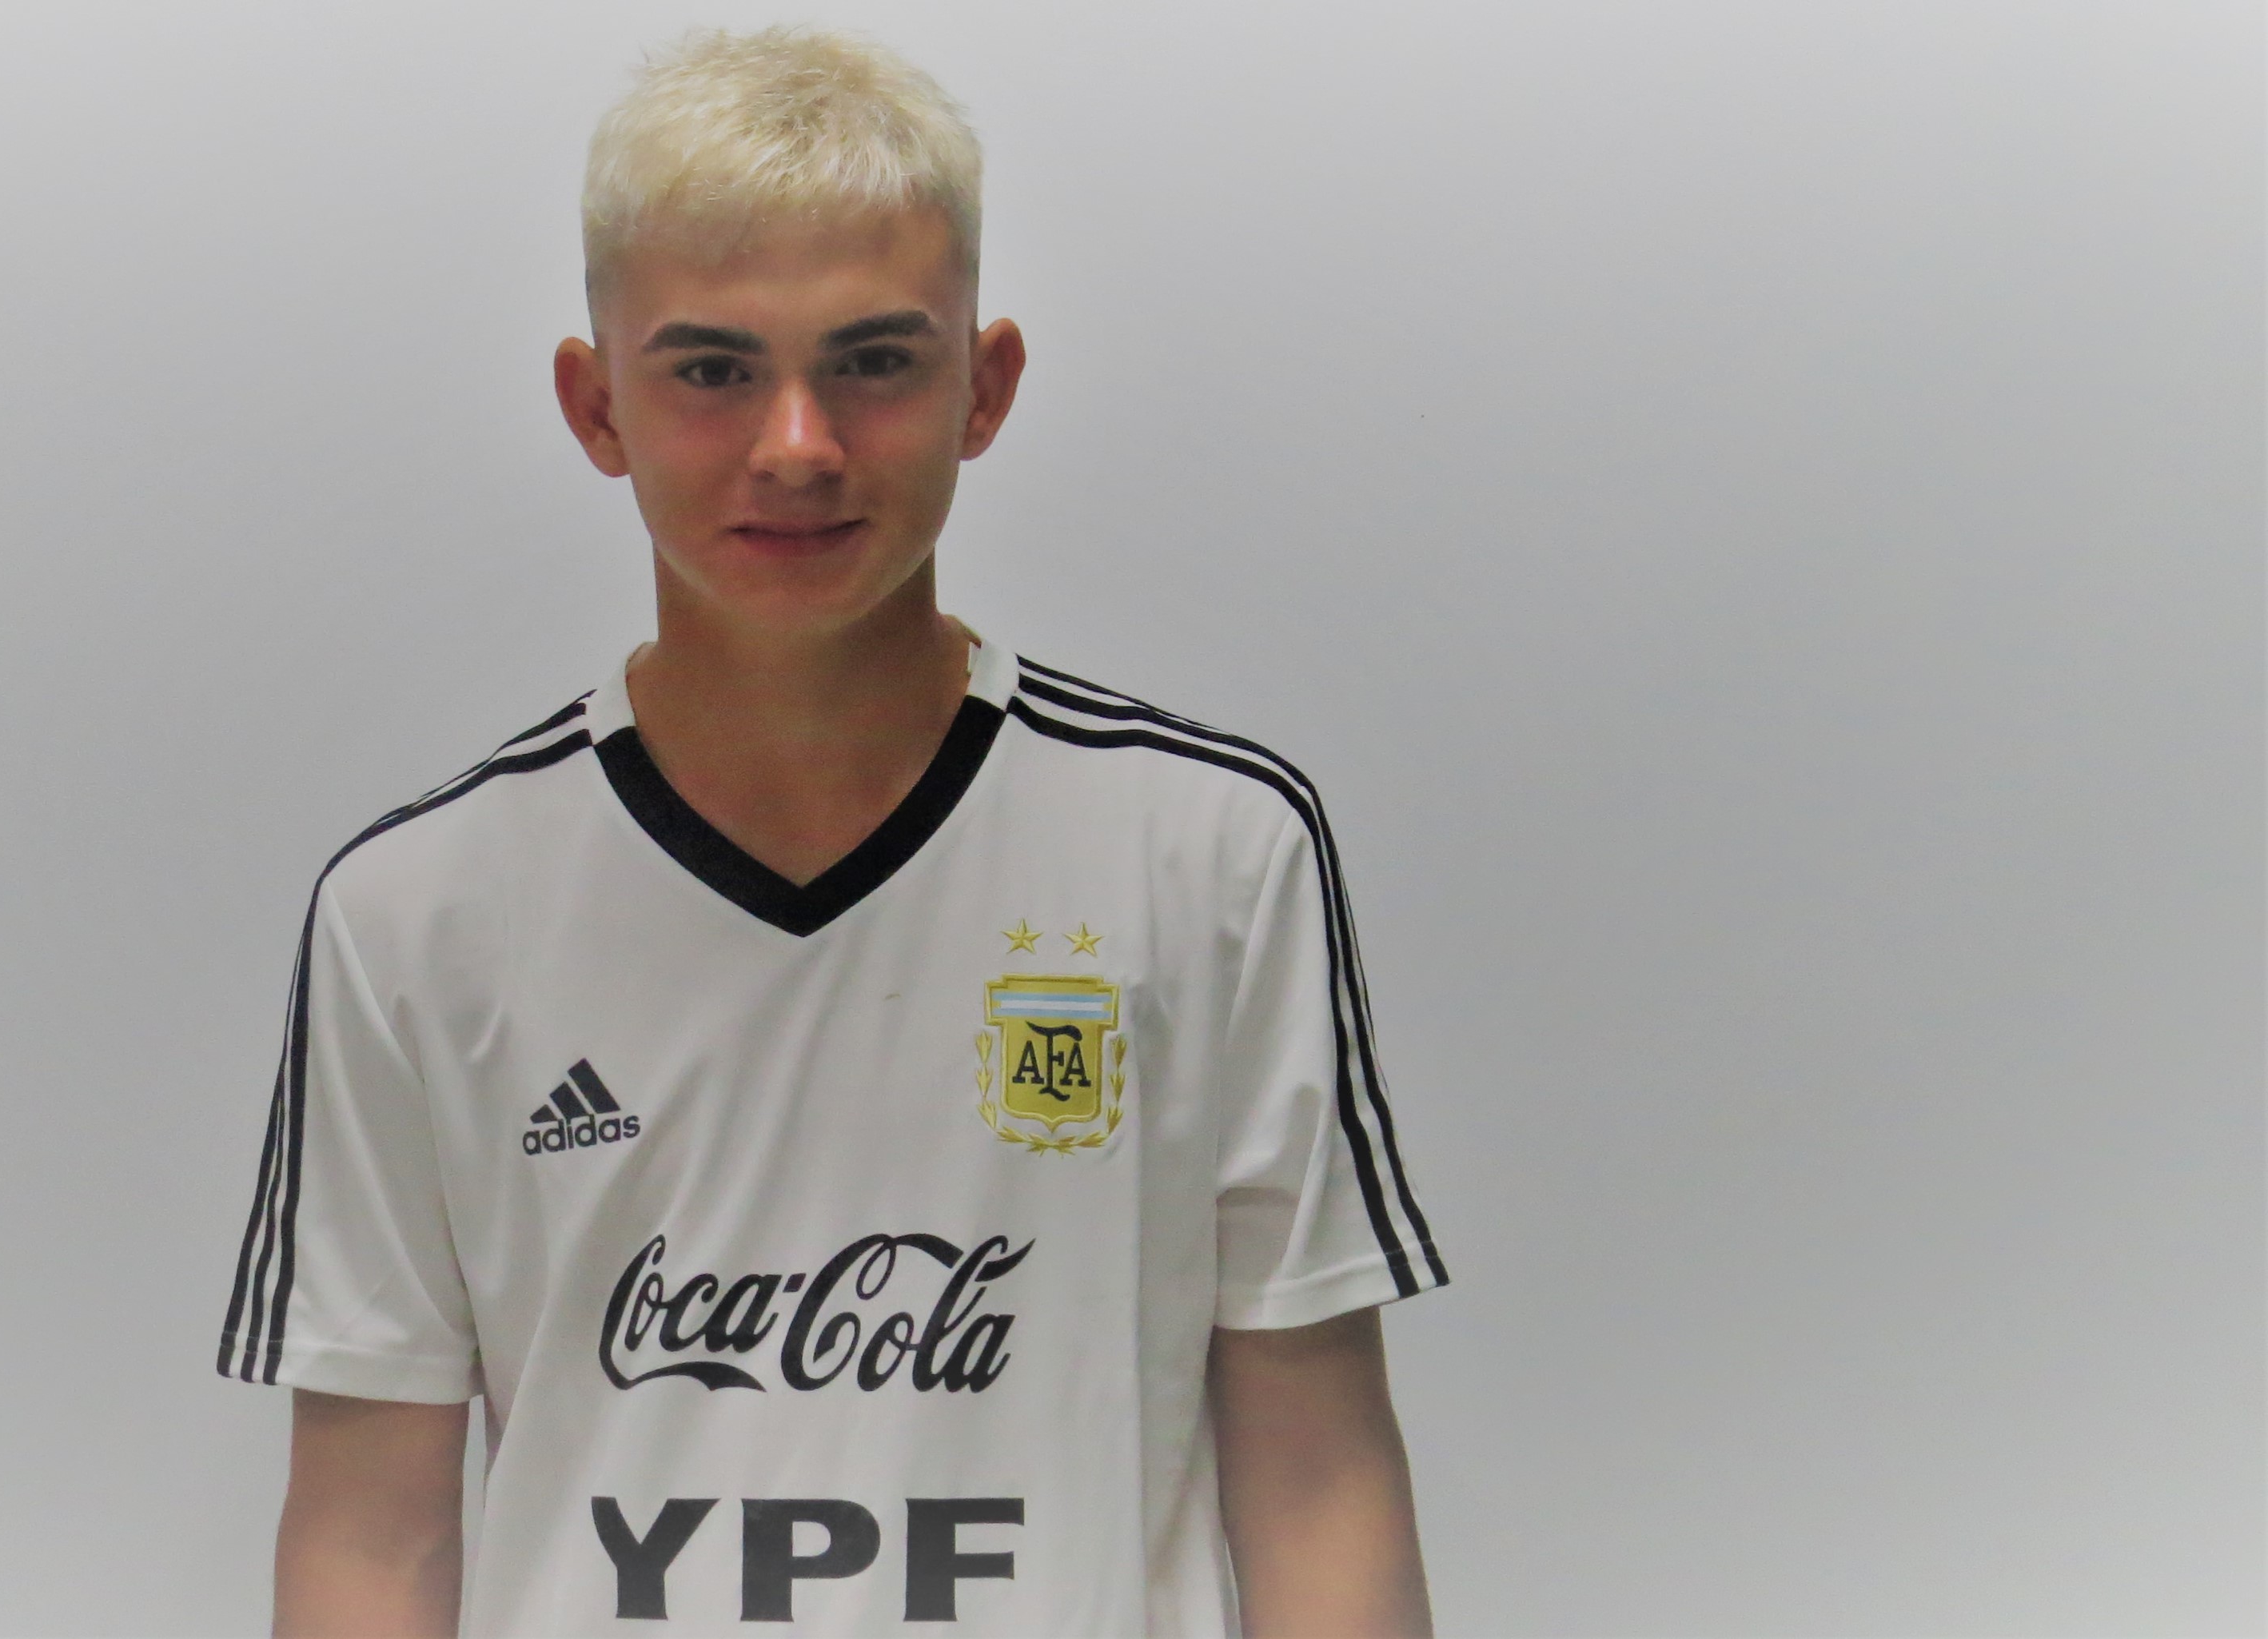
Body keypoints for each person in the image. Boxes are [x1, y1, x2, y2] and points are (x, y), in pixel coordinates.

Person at [218, 26, 1448, 1637]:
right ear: (597, 404)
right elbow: (371, 1538)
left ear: (983, 387)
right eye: (711, 369)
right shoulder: (417, 912)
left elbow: (1317, 1480)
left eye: (874, 361)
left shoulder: (1210, 852)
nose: (796, 445)